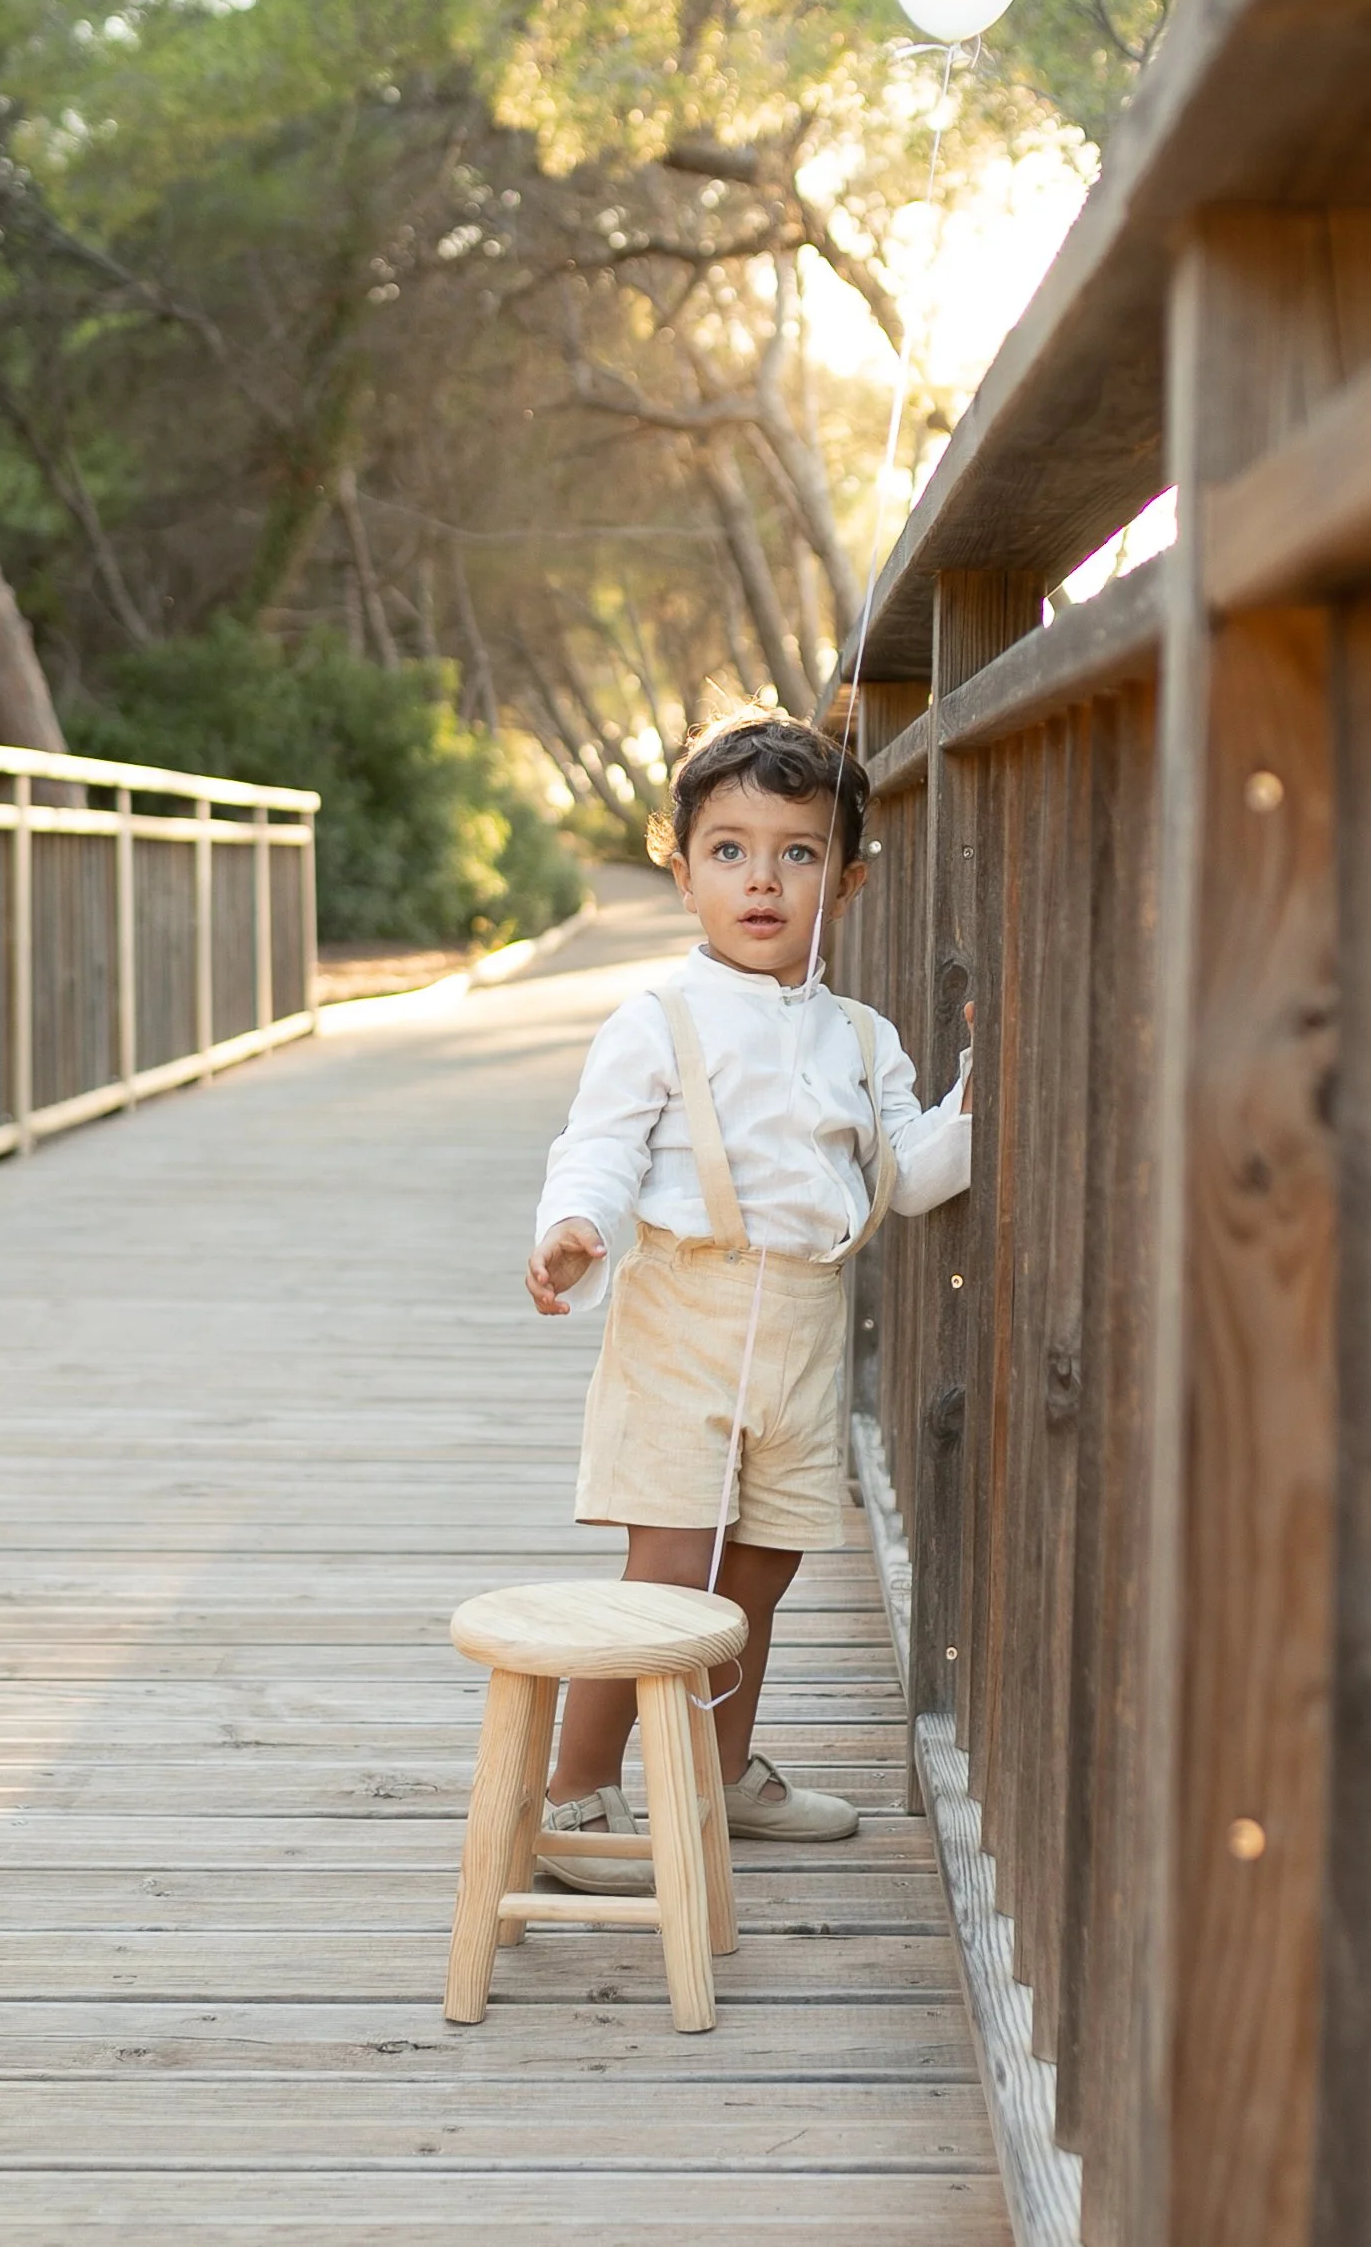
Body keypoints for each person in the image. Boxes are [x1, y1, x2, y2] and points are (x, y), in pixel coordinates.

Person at [524, 710, 972, 1893]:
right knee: (671, 1565)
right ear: (680, 874)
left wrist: (986, 1099)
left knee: (761, 1565)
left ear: (850, 878)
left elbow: (913, 1172)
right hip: (686, 1308)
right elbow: (600, 1144)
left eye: (798, 852)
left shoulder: (860, 1039)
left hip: (808, 1321)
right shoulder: (656, 1020)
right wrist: (573, 1227)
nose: (761, 879)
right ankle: (574, 1790)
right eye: (727, 850)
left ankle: (722, 1772)